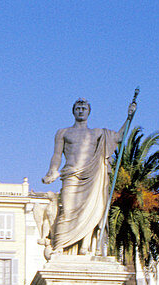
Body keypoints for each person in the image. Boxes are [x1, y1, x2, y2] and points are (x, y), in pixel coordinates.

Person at [41, 98, 136, 257]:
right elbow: (57, 155)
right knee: (67, 210)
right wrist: (52, 171)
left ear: (88, 112)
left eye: (84, 108)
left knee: (91, 209)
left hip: (92, 175)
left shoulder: (97, 133)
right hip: (71, 174)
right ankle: (59, 246)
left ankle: (85, 248)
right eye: (78, 108)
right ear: (73, 111)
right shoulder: (63, 132)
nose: (81, 110)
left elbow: (119, 137)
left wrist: (129, 117)